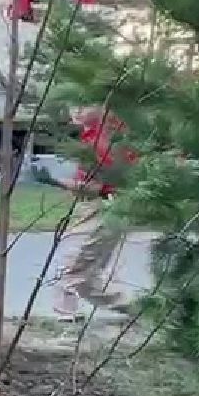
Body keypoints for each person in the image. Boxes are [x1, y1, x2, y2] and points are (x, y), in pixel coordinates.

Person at [52, 106, 135, 316]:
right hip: (105, 205)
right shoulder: (96, 134)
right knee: (87, 271)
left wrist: (57, 181)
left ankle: (65, 314)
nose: (75, 112)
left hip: (103, 206)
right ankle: (132, 307)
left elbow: (96, 188)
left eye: (82, 106)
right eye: (72, 107)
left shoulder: (103, 142)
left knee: (74, 261)